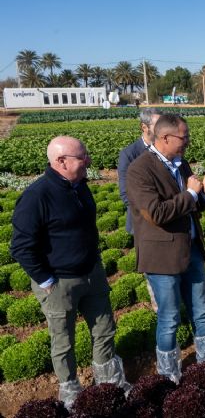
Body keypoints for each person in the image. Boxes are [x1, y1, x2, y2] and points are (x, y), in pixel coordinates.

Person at [11, 136, 130, 409]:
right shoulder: (36, 197)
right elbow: (20, 247)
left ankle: (108, 385)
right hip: (59, 282)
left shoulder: (80, 186)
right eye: (82, 157)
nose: (88, 160)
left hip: (92, 273)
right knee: (63, 340)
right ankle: (71, 395)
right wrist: (45, 279)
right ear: (60, 162)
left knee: (104, 330)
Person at [126, 114, 205, 384]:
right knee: (169, 317)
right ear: (165, 138)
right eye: (184, 137)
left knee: (201, 309)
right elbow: (156, 213)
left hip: (189, 248)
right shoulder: (139, 170)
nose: (188, 141)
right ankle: (169, 376)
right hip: (161, 257)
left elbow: (192, 204)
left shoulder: (180, 164)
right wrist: (191, 194)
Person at [118, 108, 162, 235]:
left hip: (167, 216)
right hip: (143, 223)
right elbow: (126, 194)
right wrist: (153, 213)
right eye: (158, 125)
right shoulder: (129, 154)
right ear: (144, 127)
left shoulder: (167, 149)